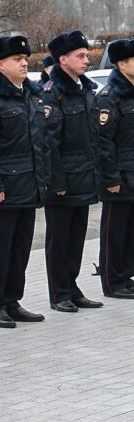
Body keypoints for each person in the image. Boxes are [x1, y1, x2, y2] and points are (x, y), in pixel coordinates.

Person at [0, 35, 49, 328]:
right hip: (3, 190)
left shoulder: (32, 94)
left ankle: (12, 300)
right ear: (0, 63)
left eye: (25, 58)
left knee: (20, 249)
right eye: (17, 59)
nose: (23, 63)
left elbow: (38, 144)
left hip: (28, 186)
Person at [42, 30, 104, 312]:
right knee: (60, 239)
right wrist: (56, 180)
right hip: (63, 180)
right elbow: (48, 142)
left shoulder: (86, 91)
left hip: (84, 176)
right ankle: (59, 292)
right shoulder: (52, 94)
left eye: (86, 54)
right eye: (80, 56)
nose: (86, 60)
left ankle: (72, 286)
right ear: (63, 60)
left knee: (77, 238)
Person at [95, 38, 134, 298]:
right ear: (122, 64)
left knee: (130, 230)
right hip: (119, 175)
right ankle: (111, 282)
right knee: (114, 231)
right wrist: (111, 178)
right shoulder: (110, 97)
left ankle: (125, 275)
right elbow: (103, 142)